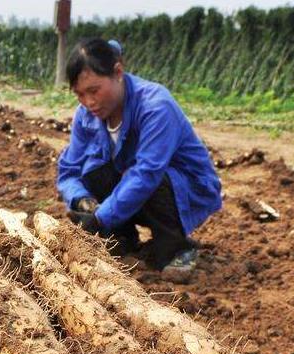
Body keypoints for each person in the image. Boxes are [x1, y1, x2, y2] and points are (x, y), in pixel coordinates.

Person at [57, 38, 222, 280]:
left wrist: (100, 219)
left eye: (94, 90)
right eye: (80, 94)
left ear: (118, 73)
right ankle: (122, 237)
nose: (88, 102)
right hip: (134, 190)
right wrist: (82, 201)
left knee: (151, 179)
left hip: (183, 190)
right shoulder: (86, 115)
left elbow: (147, 173)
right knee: (92, 169)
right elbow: (69, 171)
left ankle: (177, 246)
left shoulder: (155, 106)